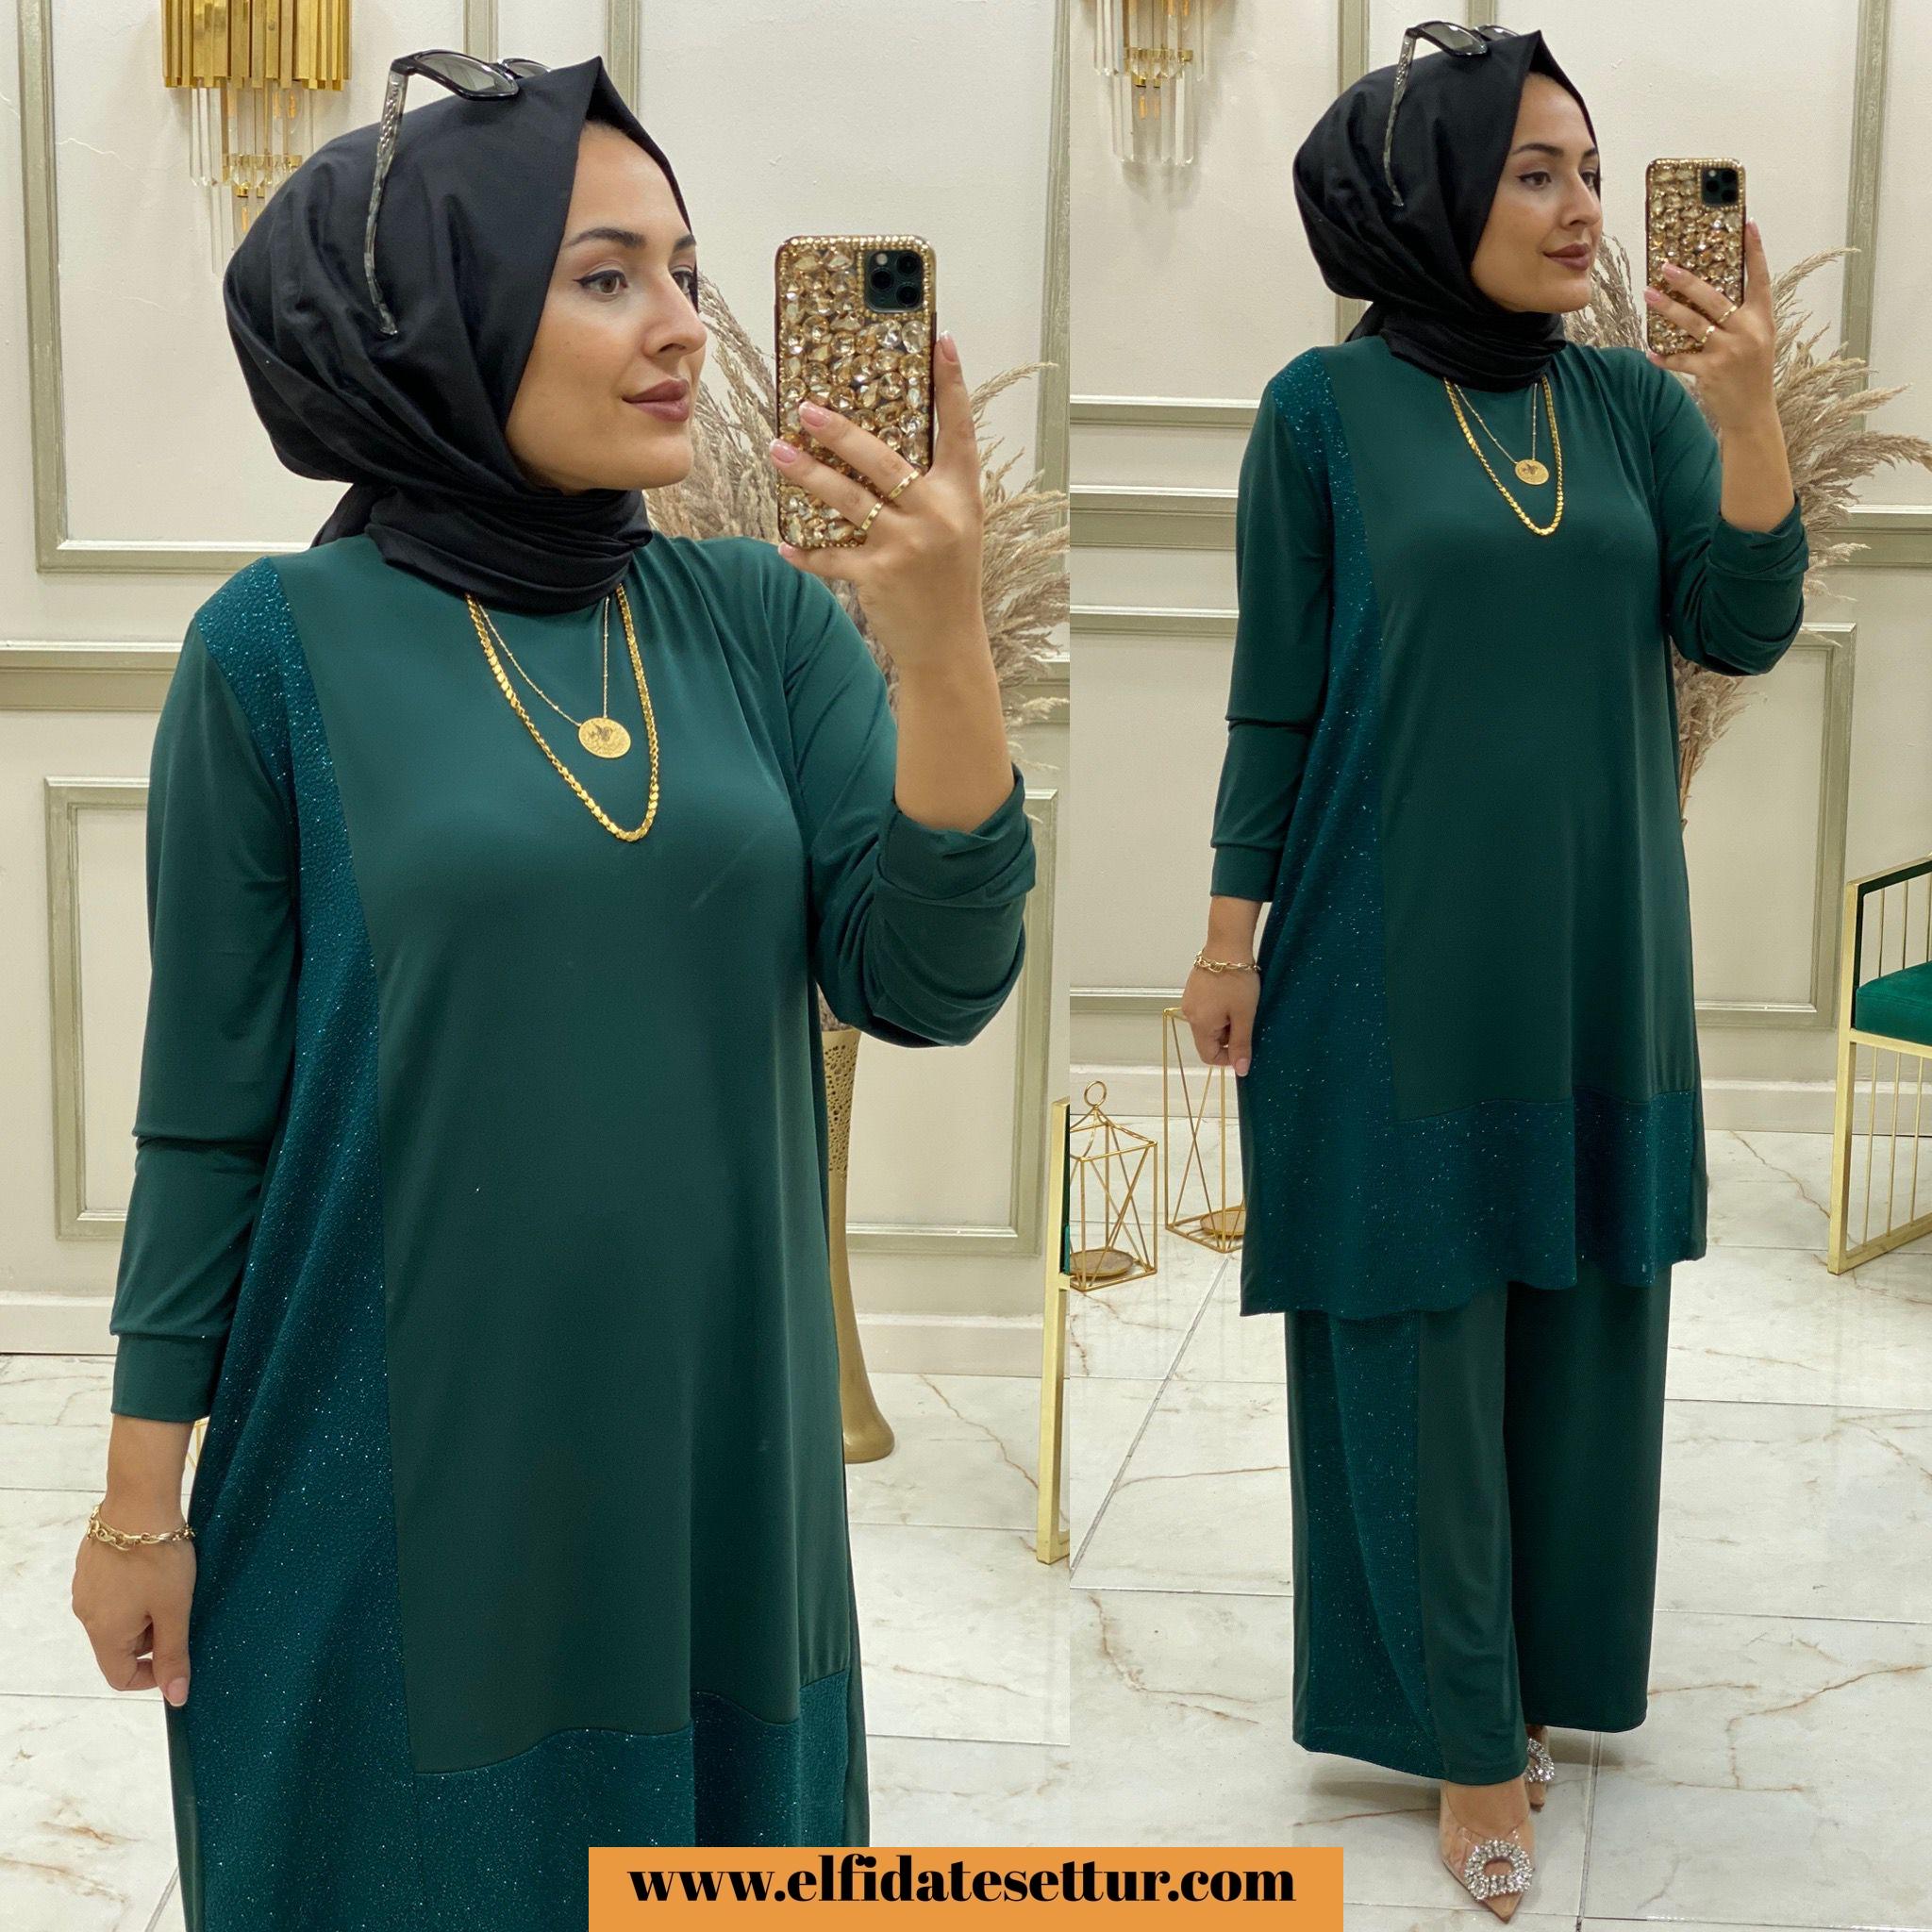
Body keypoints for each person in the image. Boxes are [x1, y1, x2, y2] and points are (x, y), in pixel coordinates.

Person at [68, 51, 1036, 1927]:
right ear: (443, 312)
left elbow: (932, 975)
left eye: (686, 270)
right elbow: (206, 1115)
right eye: (606, 276)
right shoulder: (273, 653)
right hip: (389, 1470)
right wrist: (136, 1503)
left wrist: (939, 643)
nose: (680, 325)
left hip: (712, 1470)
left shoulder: (760, 622)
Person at [1178, 22, 1807, 1920]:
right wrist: (1228, 931)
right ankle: (1464, 1733)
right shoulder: (1319, 411)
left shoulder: (1630, 407)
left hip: (1598, 952)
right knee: (1420, 1330)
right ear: (1426, 194)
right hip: (1387, 952)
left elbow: (1737, 625)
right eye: (1534, 170)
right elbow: (1275, 691)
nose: (1581, 206)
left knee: (1585, 1316)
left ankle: (1545, 1667)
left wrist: (1749, 411)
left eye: (1590, 171)